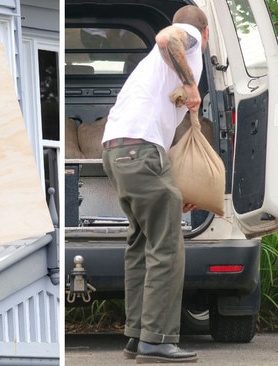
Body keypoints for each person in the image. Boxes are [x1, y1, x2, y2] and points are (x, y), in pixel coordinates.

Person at [100, 5, 208, 364]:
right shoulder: (189, 37)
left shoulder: (153, 70)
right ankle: (157, 340)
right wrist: (191, 84)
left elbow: (162, 137)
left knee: (142, 243)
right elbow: (166, 36)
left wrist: (177, 185)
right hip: (140, 150)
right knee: (167, 246)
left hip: (117, 150)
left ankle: (136, 336)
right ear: (206, 35)